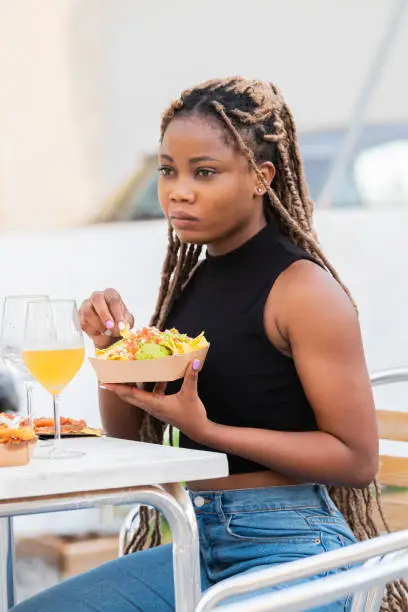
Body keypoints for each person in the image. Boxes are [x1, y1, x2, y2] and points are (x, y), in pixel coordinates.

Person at [12, 78, 405, 611]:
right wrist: (111, 350)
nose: (179, 190)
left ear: (261, 178)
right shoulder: (192, 283)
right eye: (168, 170)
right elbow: (136, 438)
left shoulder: (302, 289)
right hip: (197, 539)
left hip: (291, 547)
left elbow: (357, 460)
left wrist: (208, 431)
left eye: (205, 172)